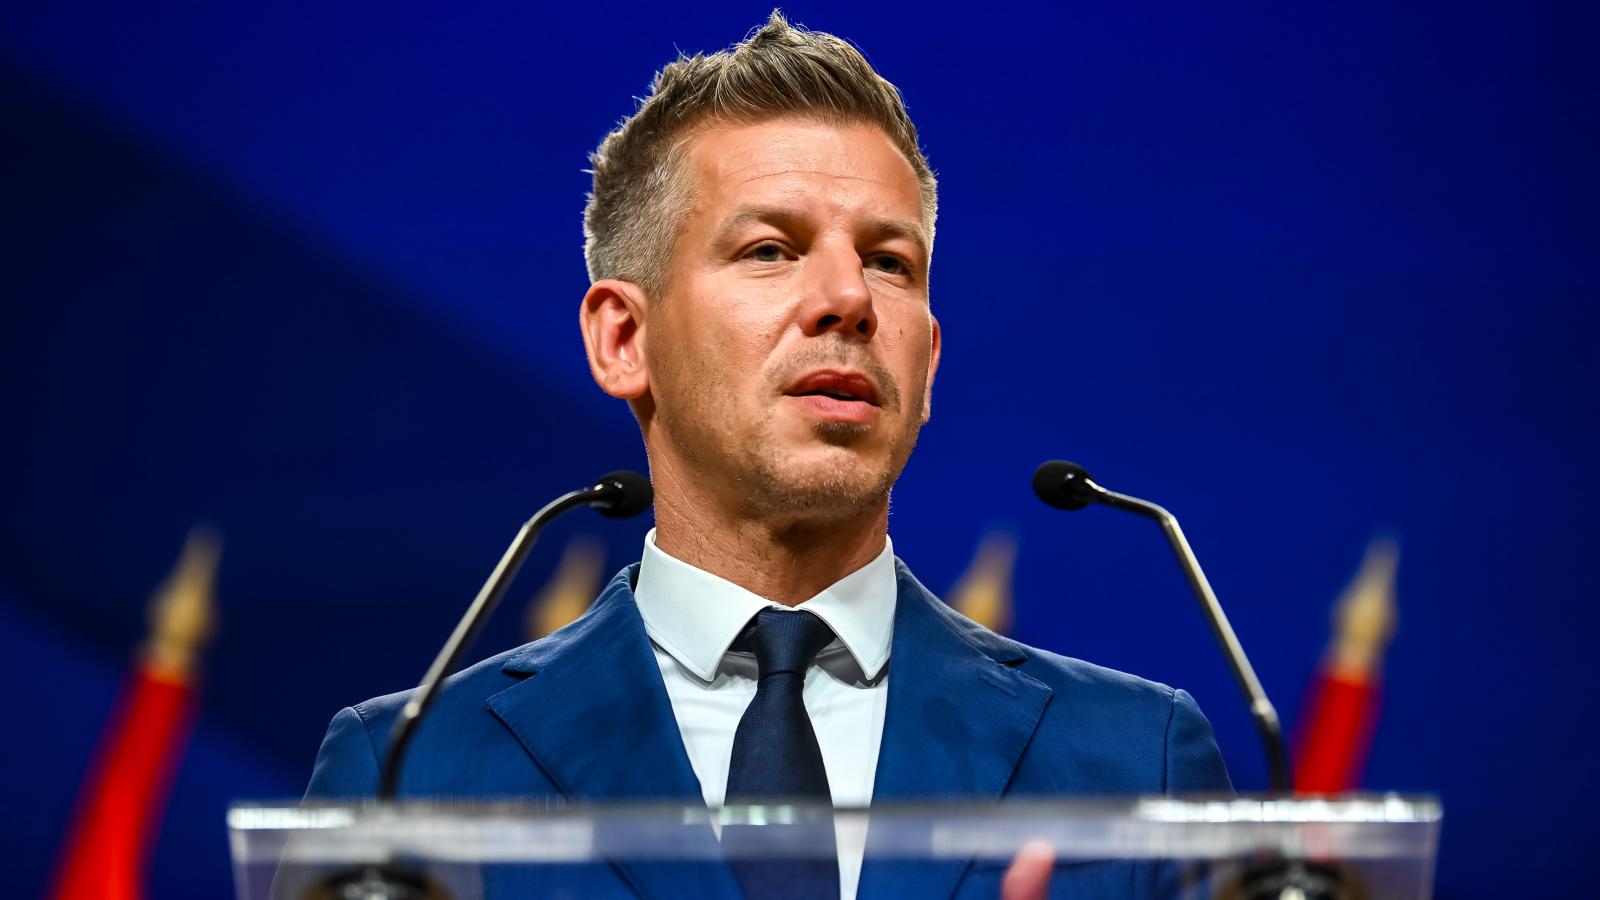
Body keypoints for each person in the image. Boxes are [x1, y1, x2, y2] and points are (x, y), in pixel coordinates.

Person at [304, 13, 1232, 899]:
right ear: (624, 339)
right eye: (771, 250)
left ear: (929, 361)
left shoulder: (1135, 759)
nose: (848, 299)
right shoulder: (408, 772)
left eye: (890, 262)